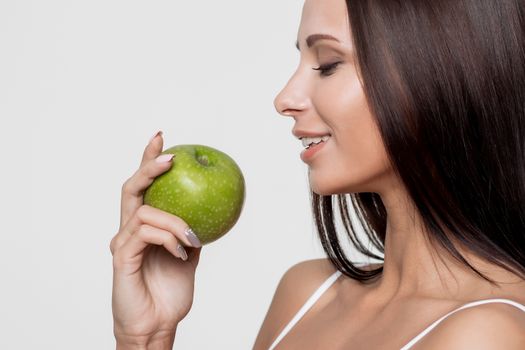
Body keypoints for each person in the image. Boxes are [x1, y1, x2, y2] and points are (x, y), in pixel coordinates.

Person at [110, 0, 525, 348]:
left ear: (439, 75)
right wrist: (145, 338)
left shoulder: (486, 334)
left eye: (327, 64)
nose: (284, 98)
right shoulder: (306, 294)